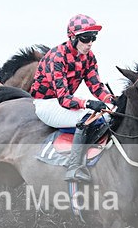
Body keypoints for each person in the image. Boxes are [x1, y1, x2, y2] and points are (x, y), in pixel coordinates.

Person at [30, 14, 117, 183]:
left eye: (93, 38)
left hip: (65, 102)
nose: (90, 43)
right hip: (47, 104)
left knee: (109, 113)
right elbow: (63, 98)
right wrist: (88, 103)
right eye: (85, 39)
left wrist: (111, 99)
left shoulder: (89, 57)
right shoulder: (57, 57)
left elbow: (96, 86)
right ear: (72, 37)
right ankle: (74, 168)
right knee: (87, 116)